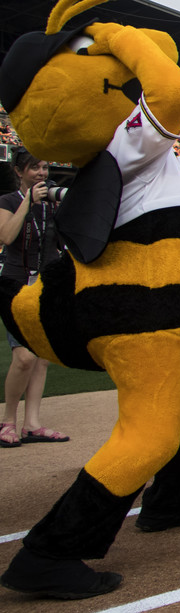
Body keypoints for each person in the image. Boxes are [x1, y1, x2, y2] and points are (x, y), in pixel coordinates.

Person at [0, 148, 69, 447]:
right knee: (24, 357)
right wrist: (28, 203)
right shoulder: (8, 201)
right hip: (14, 283)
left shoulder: (51, 205)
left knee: (41, 357)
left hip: (45, 283)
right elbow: (6, 236)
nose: (41, 173)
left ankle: (32, 424)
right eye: (34, 168)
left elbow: (63, 242)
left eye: (44, 167)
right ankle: (8, 420)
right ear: (19, 172)